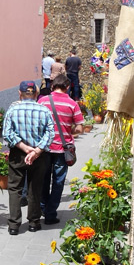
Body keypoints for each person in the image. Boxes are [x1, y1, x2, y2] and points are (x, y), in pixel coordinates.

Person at [2, 80, 54, 235]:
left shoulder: (13, 109)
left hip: (18, 153)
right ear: (36, 93)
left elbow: (6, 133)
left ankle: (14, 225)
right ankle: (33, 222)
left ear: (20, 93)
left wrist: (24, 147)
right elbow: (50, 133)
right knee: (35, 188)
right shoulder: (44, 110)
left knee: (15, 188)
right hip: (39, 156)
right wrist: (37, 151)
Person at [38, 75, 84, 225]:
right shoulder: (72, 104)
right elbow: (79, 128)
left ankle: (43, 207)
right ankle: (51, 213)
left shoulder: (42, 101)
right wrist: (68, 129)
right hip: (63, 149)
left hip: (43, 148)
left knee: (44, 180)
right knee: (58, 181)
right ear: (68, 87)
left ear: (52, 86)